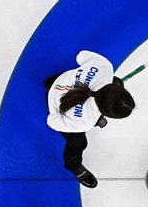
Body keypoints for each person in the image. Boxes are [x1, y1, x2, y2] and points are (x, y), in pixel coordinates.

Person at [45, 50, 135, 188]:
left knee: (118, 81)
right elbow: (52, 120)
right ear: (104, 113)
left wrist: (87, 76)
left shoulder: (105, 67)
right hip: (54, 102)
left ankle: (51, 82)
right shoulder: (85, 122)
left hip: (61, 80)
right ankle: (73, 166)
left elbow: (81, 56)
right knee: (78, 143)